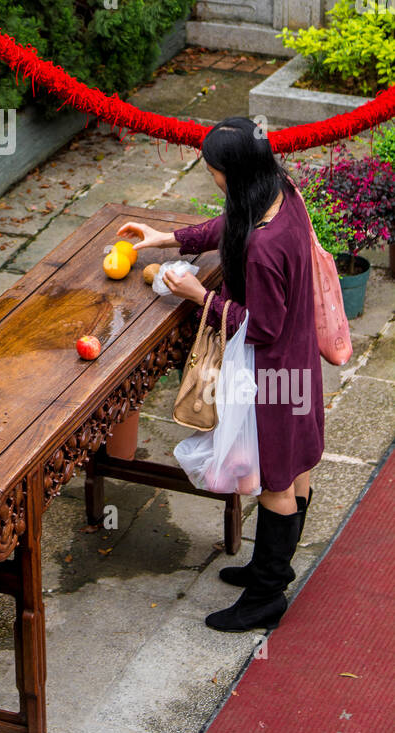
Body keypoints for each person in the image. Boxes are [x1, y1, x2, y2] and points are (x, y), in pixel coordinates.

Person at [117, 117, 324, 633]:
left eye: (212, 170)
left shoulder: (262, 246)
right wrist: (164, 237)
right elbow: (229, 225)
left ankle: (266, 597)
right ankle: (269, 568)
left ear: (233, 172)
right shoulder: (280, 192)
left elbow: (262, 329)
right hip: (300, 361)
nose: (211, 177)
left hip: (276, 375)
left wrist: (200, 297)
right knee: (296, 468)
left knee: (276, 480)